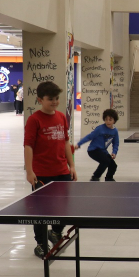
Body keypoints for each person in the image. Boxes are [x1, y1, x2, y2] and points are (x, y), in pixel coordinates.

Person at [24, 81, 77, 258]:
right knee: (41, 211)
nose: (54, 102)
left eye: (56, 98)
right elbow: (28, 146)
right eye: (50, 99)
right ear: (40, 100)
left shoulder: (61, 117)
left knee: (64, 206)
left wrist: (72, 165)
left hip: (61, 170)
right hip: (41, 173)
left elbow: (66, 142)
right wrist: (29, 171)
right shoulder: (34, 120)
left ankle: (55, 232)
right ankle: (40, 244)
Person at [76, 108, 120, 181]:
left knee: (113, 165)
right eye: (106, 119)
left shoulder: (115, 131)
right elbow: (89, 136)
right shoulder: (100, 129)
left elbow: (116, 143)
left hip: (103, 151)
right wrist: (79, 144)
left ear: (114, 120)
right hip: (93, 150)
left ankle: (109, 178)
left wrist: (114, 152)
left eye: (110, 119)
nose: (108, 121)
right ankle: (95, 177)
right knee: (105, 161)